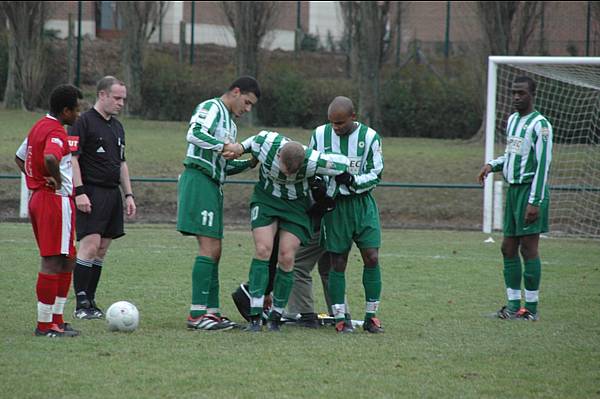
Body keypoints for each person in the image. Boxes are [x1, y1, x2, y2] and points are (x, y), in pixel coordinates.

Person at [226, 130, 349, 332]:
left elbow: (343, 164)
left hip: (295, 206)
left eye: (293, 171)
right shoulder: (267, 143)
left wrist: (335, 185)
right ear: (279, 155)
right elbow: (247, 144)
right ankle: (255, 316)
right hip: (267, 200)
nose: (288, 174)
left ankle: (276, 315)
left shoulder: (315, 160)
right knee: (263, 250)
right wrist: (238, 148)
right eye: (285, 169)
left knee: (286, 257)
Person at [177, 76, 260, 331]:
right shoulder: (211, 107)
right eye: (246, 102)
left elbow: (224, 164)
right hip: (199, 179)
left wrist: (249, 162)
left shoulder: (231, 126)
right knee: (208, 248)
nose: (247, 109)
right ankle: (197, 315)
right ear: (235, 92)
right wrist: (225, 145)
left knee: (216, 250)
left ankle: (211, 312)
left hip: (213, 184)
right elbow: (194, 134)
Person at [477, 76, 552, 321]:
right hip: (513, 191)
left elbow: (543, 165)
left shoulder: (540, 125)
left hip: (530, 191)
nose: (517, 97)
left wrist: (535, 201)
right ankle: (512, 305)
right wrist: (493, 165)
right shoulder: (512, 120)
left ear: (532, 95)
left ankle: (530, 309)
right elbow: (512, 156)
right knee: (508, 247)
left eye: (521, 93)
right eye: (514, 93)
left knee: (529, 249)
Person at [310, 96, 385, 334]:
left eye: (340, 123)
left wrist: (352, 180)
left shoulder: (370, 137)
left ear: (353, 117)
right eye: (332, 122)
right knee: (337, 262)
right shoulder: (319, 135)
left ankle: (372, 317)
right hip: (336, 207)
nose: (336, 127)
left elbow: (376, 174)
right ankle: (341, 318)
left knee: (371, 257)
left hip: (362, 204)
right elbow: (310, 165)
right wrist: (318, 187)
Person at [14, 84, 83, 337]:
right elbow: (51, 158)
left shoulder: (38, 126)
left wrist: (35, 178)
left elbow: (20, 157)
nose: (78, 114)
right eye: (76, 110)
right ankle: (45, 325)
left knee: (67, 259)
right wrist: (55, 179)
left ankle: (57, 319)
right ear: (65, 111)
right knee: (53, 260)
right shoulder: (56, 132)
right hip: (54, 201)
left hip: (42, 198)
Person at [69, 76, 136, 320]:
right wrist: (79, 191)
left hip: (112, 193)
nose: (121, 103)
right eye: (117, 98)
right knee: (89, 245)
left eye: (123, 99)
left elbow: (122, 162)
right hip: (91, 191)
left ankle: (92, 300)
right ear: (102, 95)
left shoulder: (117, 126)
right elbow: (73, 159)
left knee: (102, 249)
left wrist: (128, 194)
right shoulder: (83, 122)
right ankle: (81, 303)